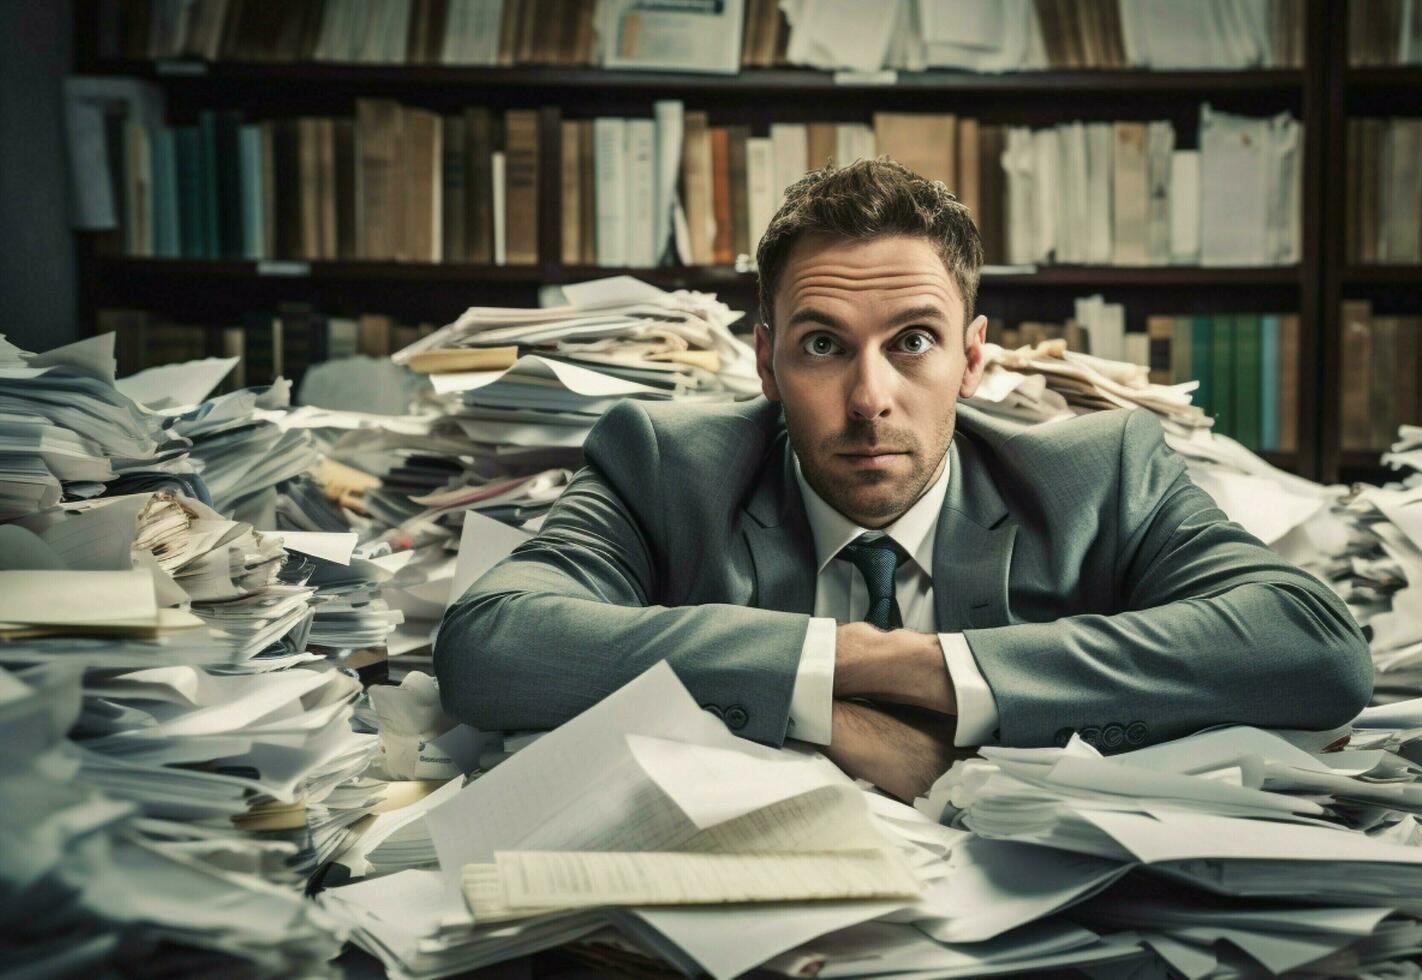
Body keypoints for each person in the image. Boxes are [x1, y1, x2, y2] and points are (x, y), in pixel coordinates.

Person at [435, 158, 1371, 799]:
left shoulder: (1102, 474)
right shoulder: (663, 464)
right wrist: (837, 684)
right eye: (821, 345)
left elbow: (1312, 646)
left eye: (912, 341)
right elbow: (490, 647)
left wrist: (936, 673)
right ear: (765, 365)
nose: (868, 397)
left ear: (971, 359)